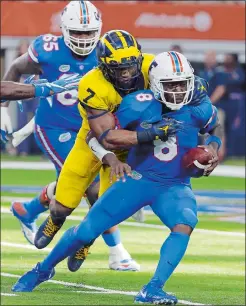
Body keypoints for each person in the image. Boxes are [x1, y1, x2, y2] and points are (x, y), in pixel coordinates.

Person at [11, 51, 222, 305]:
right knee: (87, 229)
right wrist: (111, 157)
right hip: (137, 178)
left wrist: (213, 148)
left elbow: (214, 128)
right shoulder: (137, 104)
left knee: (185, 222)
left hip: (175, 185)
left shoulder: (198, 105)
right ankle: (42, 269)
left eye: (183, 83)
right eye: (171, 85)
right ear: (155, 83)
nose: (178, 90)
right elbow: (96, 136)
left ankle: (152, 288)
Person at [2, 1, 139, 272]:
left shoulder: (107, 52)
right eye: (77, 32)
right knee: (91, 188)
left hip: (90, 129)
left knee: (73, 185)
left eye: (90, 33)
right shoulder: (48, 49)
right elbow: (17, 68)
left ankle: (29, 209)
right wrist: (3, 108)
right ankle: (117, 251)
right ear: (64, 29)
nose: (84, 39)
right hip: (54, 127)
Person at [33, 27, 167, 272]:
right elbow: (105, 138)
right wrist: (148, 135)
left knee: (107, 210)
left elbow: (181, 86)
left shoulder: (154, 67)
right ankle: (55, 219)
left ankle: (86, 242)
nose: (126, 73)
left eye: (130, 66)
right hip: (93, 142)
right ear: (105, 66)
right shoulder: (92, 84)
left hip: (130, 147)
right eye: (119, 68)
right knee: (63, 204)